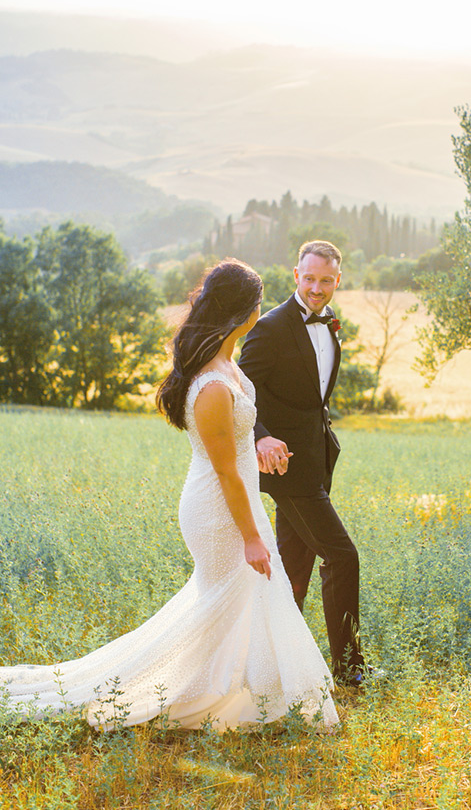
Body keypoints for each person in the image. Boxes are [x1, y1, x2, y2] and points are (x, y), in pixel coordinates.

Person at [0, 258, 338, 732]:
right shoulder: (213, 386)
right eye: (258, 306)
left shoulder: (227, 364)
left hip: (237, 500)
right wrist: (252, 537)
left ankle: (238, 693)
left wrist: (260, 449)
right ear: (244, 313)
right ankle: (176, 695)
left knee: (240, 603)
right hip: (221, 510)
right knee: (233, 599)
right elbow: (225, 473)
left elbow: (235, 449)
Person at [238, 240, 366, 687]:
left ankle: (273, 664)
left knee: (293, 573)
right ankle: (350, 670)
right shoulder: (271, 327)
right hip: (285, 468)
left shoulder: (331, 324)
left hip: (317, 461)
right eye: (309, 278)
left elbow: (314, 396)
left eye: (325, 280)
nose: (316, 288)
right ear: (296, 275)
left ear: (337, 281)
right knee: (342, 556)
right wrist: (261, 436)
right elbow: (241, 394)